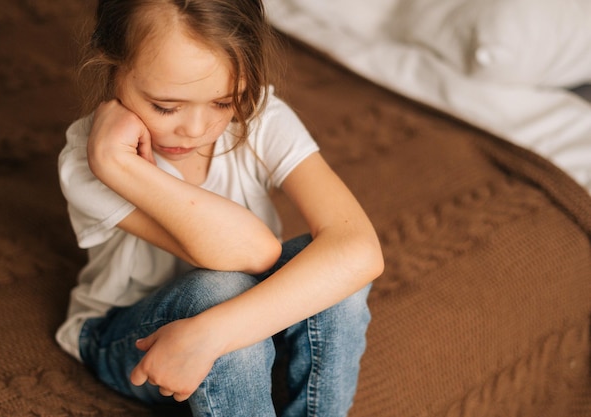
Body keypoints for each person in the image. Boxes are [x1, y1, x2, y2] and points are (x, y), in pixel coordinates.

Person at [56, 0, 384, 415]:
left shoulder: (260, 119)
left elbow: (360, 249)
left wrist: (210, 334)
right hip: (126, 340)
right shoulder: (90, 160)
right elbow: (251, 254)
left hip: (238, 325)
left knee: (339, 272)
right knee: (219, 290)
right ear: (111, 64)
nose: (195, 130)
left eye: (224, 102)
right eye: (166, 107)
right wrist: (117, 164)